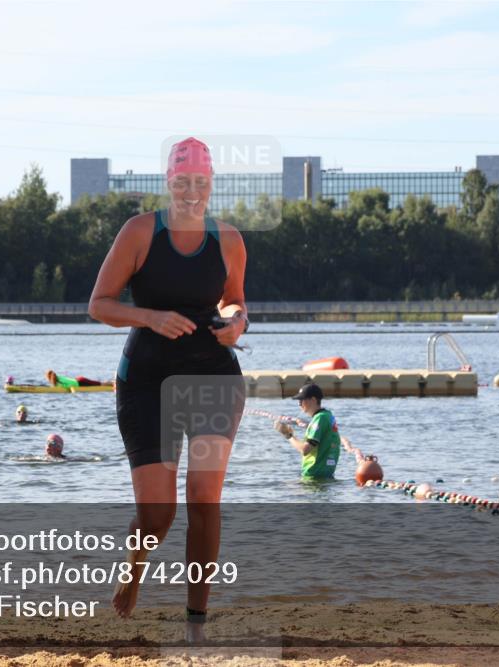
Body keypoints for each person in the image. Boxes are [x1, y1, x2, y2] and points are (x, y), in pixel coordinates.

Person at [88, 136, 249, 639]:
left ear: (211, 184)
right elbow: (100, 303)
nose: (192, 191)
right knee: (158, 514)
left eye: (201, 182)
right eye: (183, 182)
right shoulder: (140, 232)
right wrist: (151, 317)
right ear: (169, 183)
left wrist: (237, 322)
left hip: (213, 378)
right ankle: (134, 567)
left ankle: (196, 624)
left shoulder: (229, 240)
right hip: (148, 381)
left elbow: (236, 302)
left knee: (204, 499)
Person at [274, 383, 341, 480]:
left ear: (313, 400)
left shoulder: (320, 418)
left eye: (302, 400)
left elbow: (305, 450)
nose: (299, 404)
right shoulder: (328, 415)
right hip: (324, 475)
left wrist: (288, 435)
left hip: (314, 476)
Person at [45, 370, 113, 389]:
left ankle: (113, 384)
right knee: (99, 383)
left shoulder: (58, 382)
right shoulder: (58, 377)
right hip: (79, 380)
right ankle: (111, 383)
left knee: (100, 384)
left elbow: (65, 386)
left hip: (80, 382)